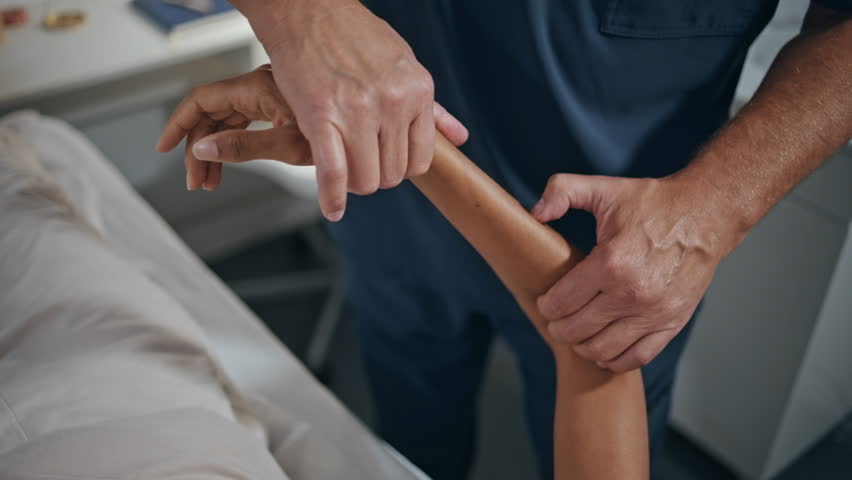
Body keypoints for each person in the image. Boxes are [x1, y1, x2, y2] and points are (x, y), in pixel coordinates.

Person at [177, 2, 852, 478]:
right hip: (389, 208)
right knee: (410, 428)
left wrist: (717, 205)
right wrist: (302, 16)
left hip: (620, 240)